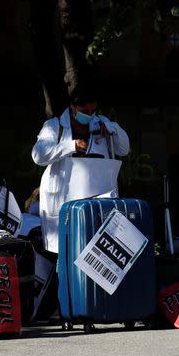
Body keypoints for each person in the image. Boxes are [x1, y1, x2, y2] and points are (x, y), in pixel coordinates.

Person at [31, 86, 130, 252]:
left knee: (98, 252)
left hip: (97, 200)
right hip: (64, 199)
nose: (90, 115)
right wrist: (70, 146)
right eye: (85, 111)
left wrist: (113, 130)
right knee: (67, 249)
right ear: (73, 106)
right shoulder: (54, 127)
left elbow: (124, 149)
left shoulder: (102, 124)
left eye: (93, 111)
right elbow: (38, 155)